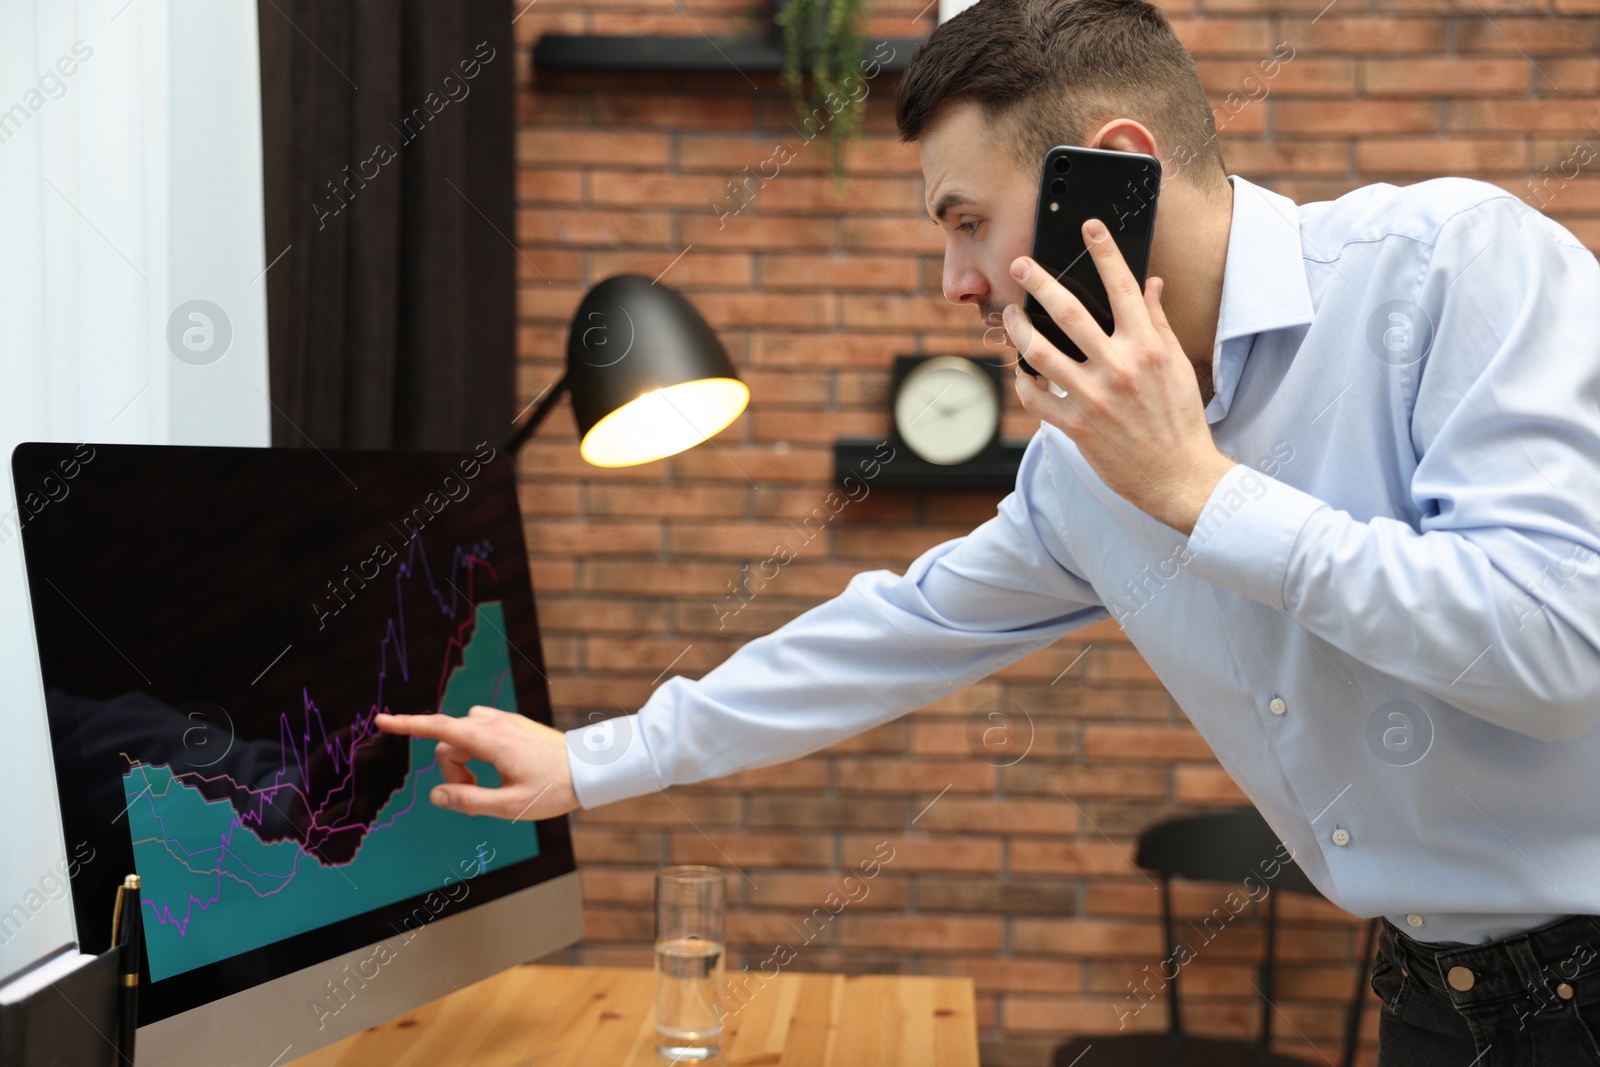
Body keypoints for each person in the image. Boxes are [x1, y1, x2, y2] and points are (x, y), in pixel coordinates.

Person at [376, 0, 1600, 1061]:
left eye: (967, 219)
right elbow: (895, 630)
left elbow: (1563, 649)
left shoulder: (1452, 266)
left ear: (1110, 171)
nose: (955, 281)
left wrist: (1196, 489)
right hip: (1433, 997)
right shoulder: (1082, 469)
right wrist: (589, 759)